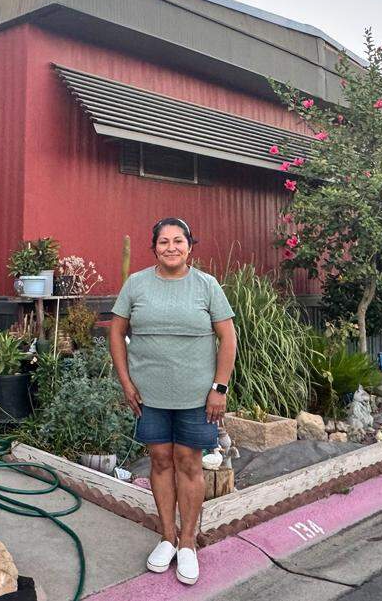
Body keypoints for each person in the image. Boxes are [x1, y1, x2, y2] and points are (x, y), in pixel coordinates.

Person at [108, 217, 237, 586]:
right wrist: (126, 381)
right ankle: (167, 537)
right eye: (163, 241)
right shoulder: (137, 284)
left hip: (198, 398)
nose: (171, 247)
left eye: (178, 240)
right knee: (160, 462)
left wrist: (220, 388)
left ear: (190, 246)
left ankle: (188, 543)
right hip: (149, 396)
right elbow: (117, 332)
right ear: (154, 248)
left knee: (189, 464)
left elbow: (228, 339)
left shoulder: (206, 286)